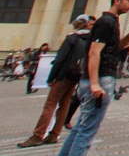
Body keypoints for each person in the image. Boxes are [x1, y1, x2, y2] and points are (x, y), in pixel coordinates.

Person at [58, 0, 129, 156]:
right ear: (117, 0)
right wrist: (95, 84)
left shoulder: (111, 21)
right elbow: (94, 52)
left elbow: (115, 48)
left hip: (97, 79)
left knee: (81, 126)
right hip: (100, 79)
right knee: (87, 131)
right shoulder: (106, 22)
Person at [18, 16, 92, 147]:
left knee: (50, 104)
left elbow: (60, 59)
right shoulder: (88, 40)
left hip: (63, 75)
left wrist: (51, 77)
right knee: (64, 104)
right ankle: (54, 134)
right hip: (75, 76)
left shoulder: (72, 38)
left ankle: (38, 135)